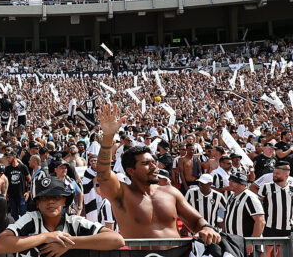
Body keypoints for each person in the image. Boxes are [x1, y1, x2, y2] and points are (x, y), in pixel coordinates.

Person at [94, 104, 221, 245]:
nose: (154, 166)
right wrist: (108, 137)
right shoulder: (122, 194)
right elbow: (103, 173)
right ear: (130, 171)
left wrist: (206, 228)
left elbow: (196, 221)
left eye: (154, 161)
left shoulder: (171, 192)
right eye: (146, 163)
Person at [0, 172, 124, 257]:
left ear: (64, 200)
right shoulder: (31, 219)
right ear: (37, 203)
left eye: (56, 197)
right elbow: (0, 245)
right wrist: (46, 237)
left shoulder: (75, 222)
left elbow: (117, 240)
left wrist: (70, 243)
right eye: (44, 198)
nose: (50, 201)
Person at [254, 162, 293, 257]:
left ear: (286, 175)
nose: (274, 175)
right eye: (274, 173)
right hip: (270, 224)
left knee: (283, 251)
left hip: (288, 225)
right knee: (268, 249)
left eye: (277, 173)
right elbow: (257, 203)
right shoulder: (266, 187)